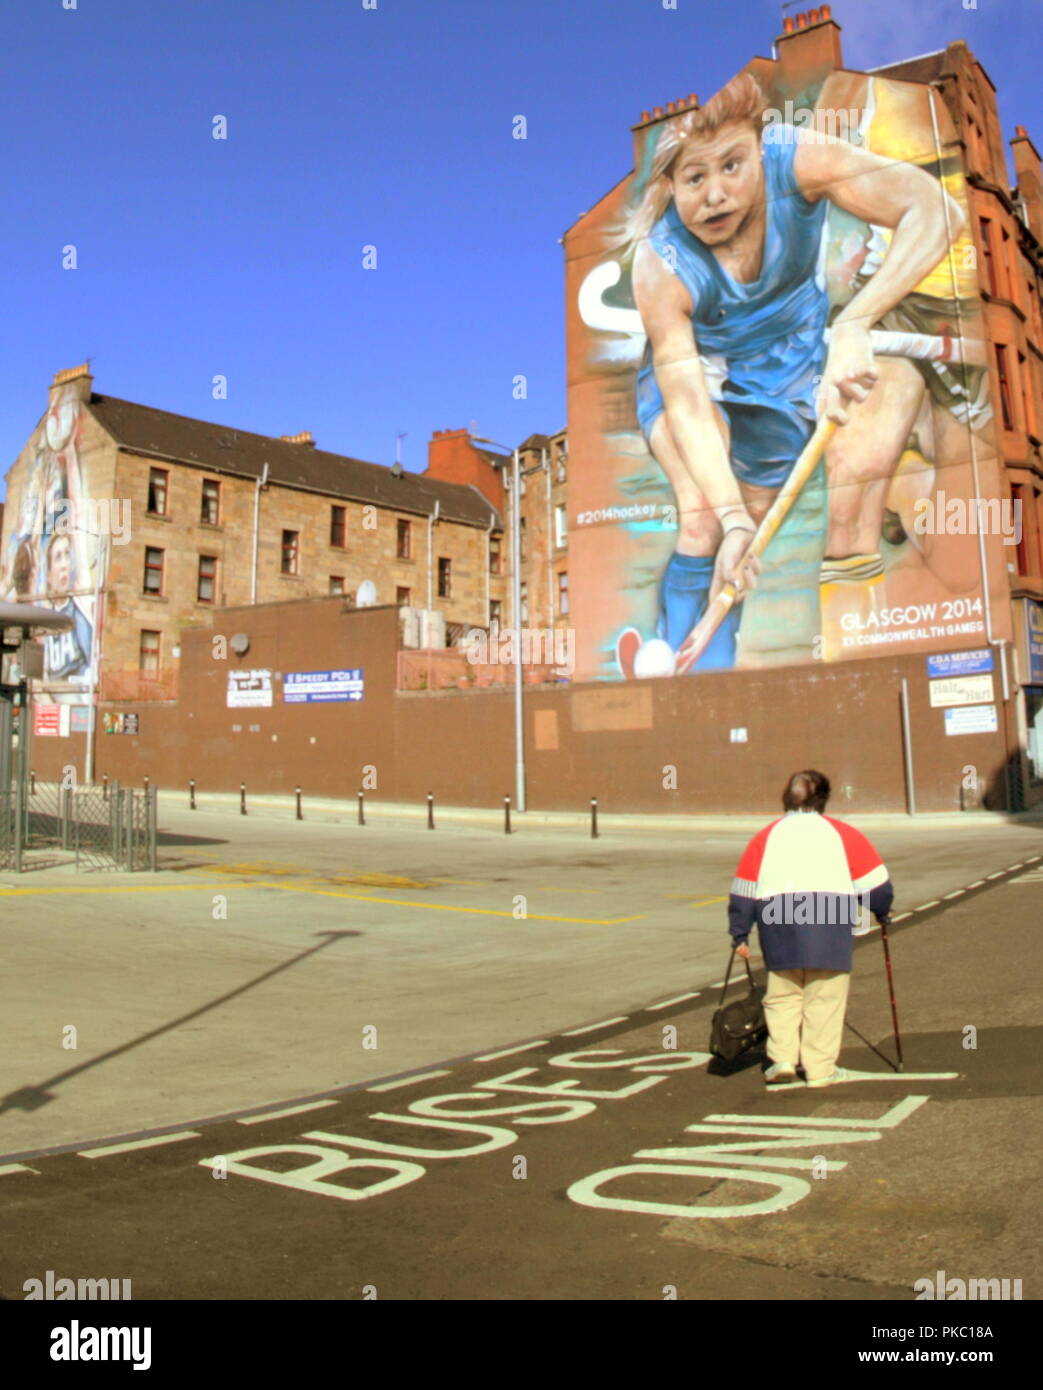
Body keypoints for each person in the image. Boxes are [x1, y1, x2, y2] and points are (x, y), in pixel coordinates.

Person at [613, 70, 964, 673]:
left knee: (750, 539)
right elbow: (690, 403)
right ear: (671, 184)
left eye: (732, 166)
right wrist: (728, 520)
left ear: (760, 147)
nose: (716, 194)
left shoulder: (799, 159)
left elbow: (937, 210)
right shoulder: (660, 265)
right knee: (705, 515)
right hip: (700, 378)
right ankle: (692, 682)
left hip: (788, 375)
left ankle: (696, 640)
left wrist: (855, 322)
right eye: (695, 178)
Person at [727, 769, 894, 1087]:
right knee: (825, 997)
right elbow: (877, 885)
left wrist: (739, 932)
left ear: (786, 797)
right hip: (829, 917)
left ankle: (782, 1061)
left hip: (777, 917)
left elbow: (744, 890)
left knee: (782, 994)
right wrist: (882, 912)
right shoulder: (843, 834)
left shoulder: (766, 836)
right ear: (824, 798)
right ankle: (820, 1069)